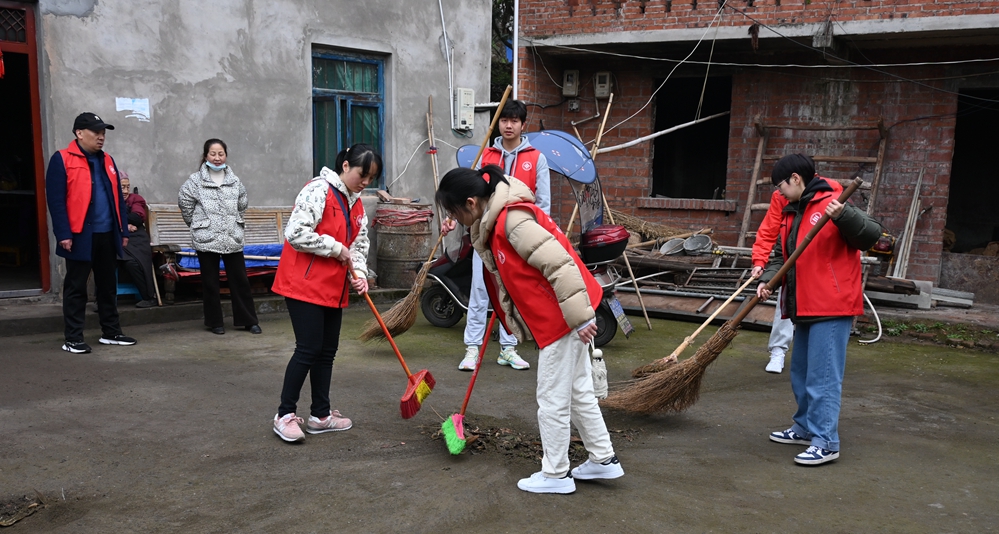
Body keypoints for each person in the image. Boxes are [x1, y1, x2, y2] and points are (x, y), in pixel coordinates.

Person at [436, 164, 623, 494]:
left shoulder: (512, 221)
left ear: (471, 202)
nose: (455, 220)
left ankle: (556, 475)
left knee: (551, 398)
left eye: (453, 211)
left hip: (563, 319)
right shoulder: (496, 220)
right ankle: (603, 459)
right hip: (561, 315)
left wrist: (580, 318)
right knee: (578, 392)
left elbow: (559, 264)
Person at [756, 154, 880, 466]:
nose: (779, 192)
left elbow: (871, 235)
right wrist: (769, 280)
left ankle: (827, 441)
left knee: (823, 377)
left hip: (831, 304)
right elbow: (782, 254)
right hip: (804, 305)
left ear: (796, 179)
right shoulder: (792, 209)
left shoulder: (834, 201)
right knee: (800, 373)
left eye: (782, 186)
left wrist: (843, 216)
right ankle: (805, 427)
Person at [269, 144, 377, 442]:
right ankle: (284, 414)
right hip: (303, 283)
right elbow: (295, 233)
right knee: (308, 349)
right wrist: (335, 247)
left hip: (333, 286)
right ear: (345, 166)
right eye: (362, 174)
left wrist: (360, 273)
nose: (365, 181)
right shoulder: (318, 190)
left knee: (327, 352)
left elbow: (359, 243)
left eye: (371, 177)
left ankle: (321, 415)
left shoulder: (356, 204)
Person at [446, 99, 551, 372]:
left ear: (522, 124)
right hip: (486, 235)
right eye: (504, 120)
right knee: (480, 291)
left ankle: (508, 348)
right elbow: (472, 197)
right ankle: (472, 348)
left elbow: (544, 204)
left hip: (518, 238)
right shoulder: (487, 156)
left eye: (514, 120)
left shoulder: (536, 159)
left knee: (512, 292)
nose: (508, 125)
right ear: (498, 123)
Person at [45, 112, 137, 354]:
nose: (101, 137)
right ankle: (73, 338)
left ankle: (111, 332)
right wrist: (63, 233)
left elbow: (117, 197)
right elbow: (56, 201)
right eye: (96, 132)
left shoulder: (107, 160)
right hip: (79, 235)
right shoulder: (62, 159)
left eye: (103, 133)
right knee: (76, 287)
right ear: (79, 133)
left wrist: (122, 228)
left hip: (108, 233)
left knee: (107, 285)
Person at [178, 139, 261, 335]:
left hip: (232, 236)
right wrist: (199, 225)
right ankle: (215, 322)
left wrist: (235, 222)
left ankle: (248, 320)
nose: (217, 158)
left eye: (221, 154)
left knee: (240, 279)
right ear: (205, 156)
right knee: (210, 281)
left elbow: (242, 203)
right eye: (213, 154)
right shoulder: (195, 181)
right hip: (206, 238)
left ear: (225, 155)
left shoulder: (234, 180)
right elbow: (185, 203)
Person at [118, 172, 158, 308]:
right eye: (121, 187)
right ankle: (102, 301)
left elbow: (137, 218)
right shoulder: (109, 199)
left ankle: (147, 297)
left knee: (133, 263)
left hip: (136, 239)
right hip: (116, 238)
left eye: (127, 187)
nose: (125, 191)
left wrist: (118, 218)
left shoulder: (136, 199)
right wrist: (124, 226)